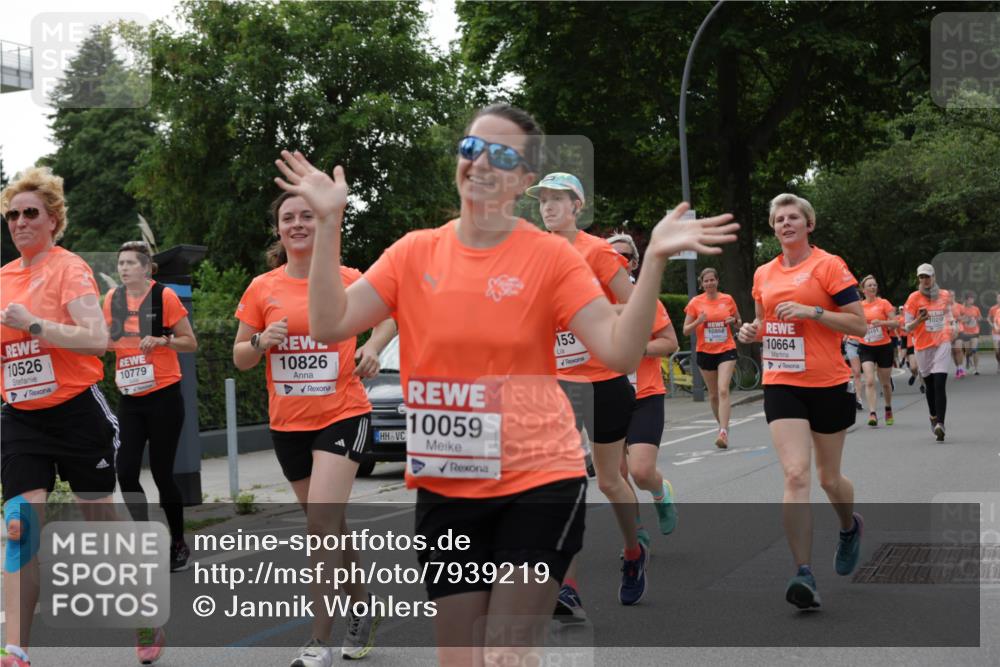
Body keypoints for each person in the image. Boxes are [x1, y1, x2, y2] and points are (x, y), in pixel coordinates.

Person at [281, 103, 737, 666]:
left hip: (539, 477)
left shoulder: (551, 256)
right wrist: (329, 224)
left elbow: (619, 349)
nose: (481, 164)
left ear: (524, 180)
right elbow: (330, 324)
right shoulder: (413, 251)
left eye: (502, 156)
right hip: (449, 482)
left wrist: (656, 265)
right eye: (472, 149)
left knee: (506, 653)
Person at [234, 191, 396, 665]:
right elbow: (241, 357)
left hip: (343, 414)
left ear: (321, 224)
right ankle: (363, 607)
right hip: (289, 425)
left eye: (307, 215)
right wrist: (262, 341)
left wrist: (372, 348)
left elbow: (389, 315)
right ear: (279, 230)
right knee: (332, 526)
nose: (299, 224)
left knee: (319, 527)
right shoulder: (261, 287)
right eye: (289, 217)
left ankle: (319, 642)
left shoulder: (346, 279)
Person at [1, 167, 119, 667]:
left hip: (76, 412)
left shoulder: (69, 269)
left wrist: (35, 324)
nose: (20, 222)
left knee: (101, 526)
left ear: (53, 219)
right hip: (21, 418)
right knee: (19, 525)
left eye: (31, 213)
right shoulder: (2, 279)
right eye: (12, 214)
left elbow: (97, 339)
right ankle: (15, 648)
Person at [524, 173, 654, 609]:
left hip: (602, 381)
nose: (548, 207)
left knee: (611, 481)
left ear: (577, 206)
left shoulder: (597, 252)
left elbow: (636, 307)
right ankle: (568, 587)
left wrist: (590, 317)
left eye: (557, 200)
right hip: (554, 384)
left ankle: (634, 553)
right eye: (542, 200)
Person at [738, 193, 866, 611]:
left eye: (794, 217)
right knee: (796, 475)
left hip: (828, 382)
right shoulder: (763, 273)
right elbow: (763, 322)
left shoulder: (828, 265)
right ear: (773, 227)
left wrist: (814, 312)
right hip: (782, 381)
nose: (786, 223)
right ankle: (803, 573)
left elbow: (859, 324)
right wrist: (751, 332)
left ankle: (849, 526)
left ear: (809, 224)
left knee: (829, 478)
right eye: (779, 218)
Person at [105, 241, 198, 571]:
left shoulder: (164, 297)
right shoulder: (112, 300)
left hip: (164, 397)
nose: (124, 268)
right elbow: (104, 339)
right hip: (130, 398)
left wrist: (163, 340)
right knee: (126, 472)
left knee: (162, 474)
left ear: (146, 268)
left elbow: (190, 342)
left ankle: (177, 542)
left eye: (131, 263)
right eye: (121, 263)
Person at [610, 233, 679, 536]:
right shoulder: (592, 301)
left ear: (635, 263)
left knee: (639, 470)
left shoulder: (646, 300)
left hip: (645, 394)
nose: (616, 262)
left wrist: (638, 349)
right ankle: (636, 535)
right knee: (616, 474)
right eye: (609, 256)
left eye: (623, 256)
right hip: (608, 395)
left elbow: (671, 342)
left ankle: (660, 492)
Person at [682, 267, 741, 448]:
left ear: (717, 281)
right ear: (701, 284)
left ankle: (723, 432)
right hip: (705, 351)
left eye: (712, 280)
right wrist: (698, 321)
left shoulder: (727, 299)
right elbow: (685, 331)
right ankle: (721, 426)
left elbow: (739, 322)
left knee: (723, 389)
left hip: (726, 349)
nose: (709, 283)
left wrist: (734, 322)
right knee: (714, 395)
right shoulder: (695, 302)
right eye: (706, 281)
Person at [902, 263, 959, 442]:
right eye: (921, 277)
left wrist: (953, 327)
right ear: (918, 279)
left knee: (940, 383)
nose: (925, 280)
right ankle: (933, 416)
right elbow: (907, 326)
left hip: (941, 342)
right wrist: (919, 320)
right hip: (922, 346)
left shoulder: (944, 295)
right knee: (930, 384)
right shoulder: (913, 298)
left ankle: (940, 424)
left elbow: (950, 316)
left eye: (927, 276)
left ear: (934, 277)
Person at [854, 275, 896, 427]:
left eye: (874, 285)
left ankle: (888, 407)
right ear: (863, 290)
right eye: (869, 286)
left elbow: (896, 322)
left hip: (884, 346)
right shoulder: (859, 306)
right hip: (866, 346)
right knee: (870, 380)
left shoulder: (883, 303)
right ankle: (872, 413)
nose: (873, 287)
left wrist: (882, 322)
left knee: (885, 383)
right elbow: (855, 323)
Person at [958, 292, 982, 375]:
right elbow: (958, 319)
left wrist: (978, 319)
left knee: (974, 350)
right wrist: (966, 320)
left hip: (975, 332)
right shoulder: (961, 308)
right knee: (968, 351)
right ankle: (968, 357)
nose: (972, 300)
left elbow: (979, 317)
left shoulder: (976, 308)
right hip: (965, 332)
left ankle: (976, 369)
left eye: (972, 298)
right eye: (970, 298)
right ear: (966, 299)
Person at [990, 293, 1000, 372]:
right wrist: (992, 324)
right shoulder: (993, 309)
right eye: (998, 298)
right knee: (997, 350)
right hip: (995, 332)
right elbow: (989, 318)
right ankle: (999, 362)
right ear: (996, 299)